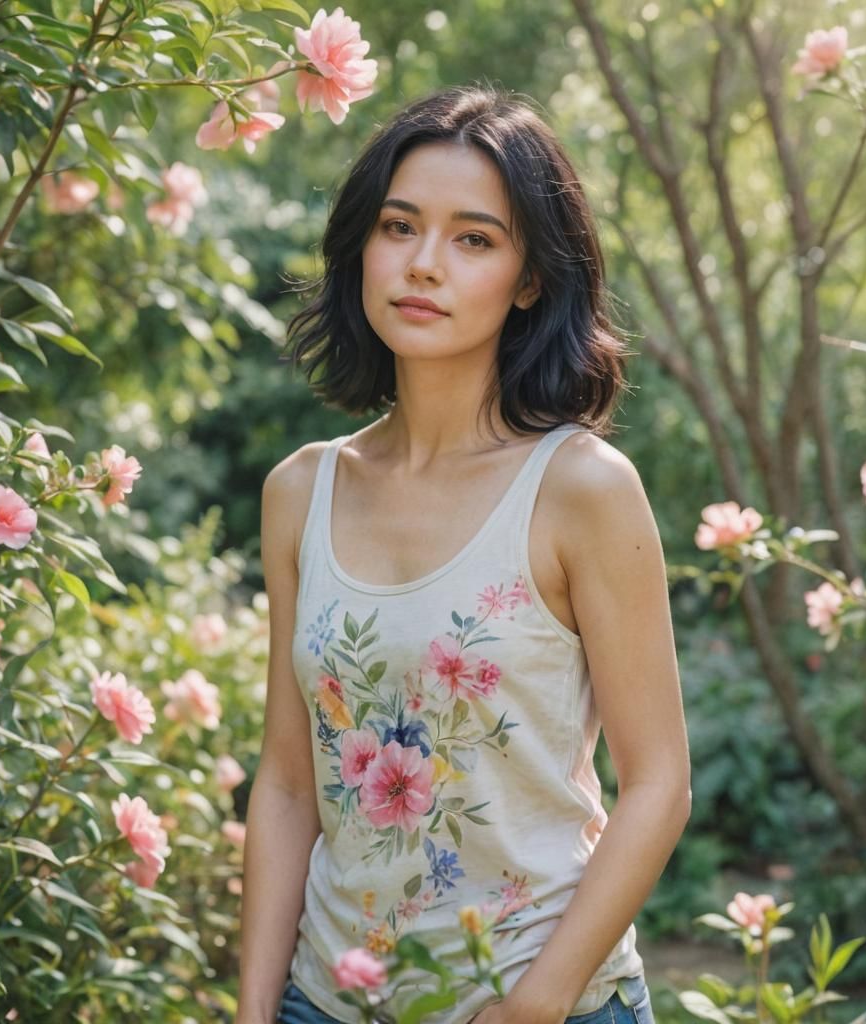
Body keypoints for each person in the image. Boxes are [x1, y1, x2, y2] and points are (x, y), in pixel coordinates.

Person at [236, 83, 691, 1024]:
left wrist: (532, 1006)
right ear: (362, 245)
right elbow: (286, 783)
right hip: (327, 1000)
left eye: (474, 238)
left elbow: (658, 786)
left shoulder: (583, 489)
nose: (425, 265)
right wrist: (255, 1010)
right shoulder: (300, 491)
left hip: (540, 1002)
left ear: (530, 279)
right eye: (400, 227)